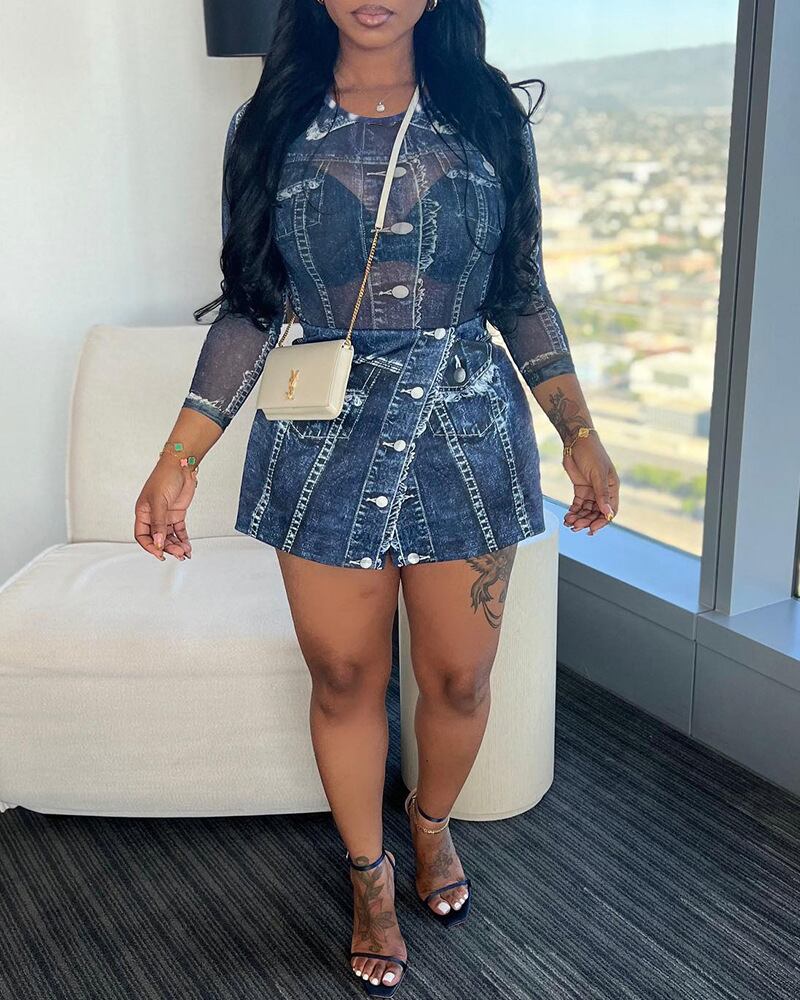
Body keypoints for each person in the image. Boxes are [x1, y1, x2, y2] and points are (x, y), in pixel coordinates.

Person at [134, 0, 619, 995]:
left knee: (459, 680)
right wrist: (180, 452)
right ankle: (368, 873)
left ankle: (428, 822)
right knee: (346, 678)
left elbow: (520, 291)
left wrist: (578, 431)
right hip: (323, 447)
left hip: (467, 437)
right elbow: (253, 305)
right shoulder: (272, 121)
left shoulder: (484, 112)